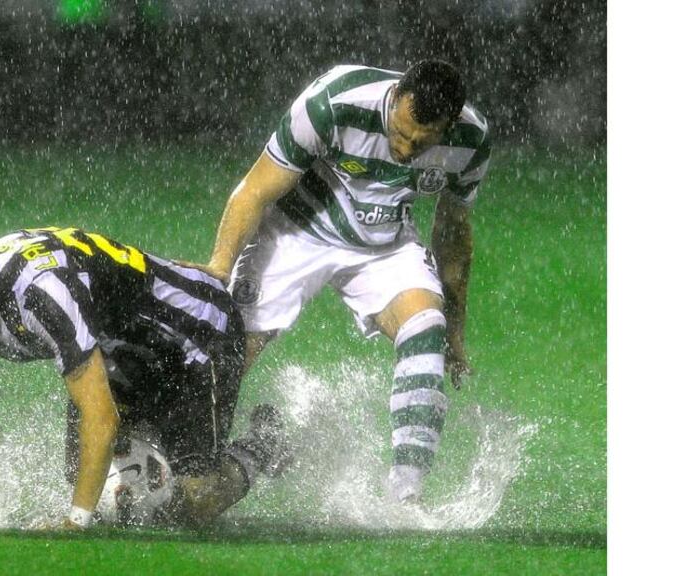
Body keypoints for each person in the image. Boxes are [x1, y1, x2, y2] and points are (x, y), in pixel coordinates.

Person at [200, 60, 491, 503]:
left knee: (424, 332)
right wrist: (220, 270)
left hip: (383, 244)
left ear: (448, 125)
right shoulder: (334, 102)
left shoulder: (471, 140)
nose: (407, 148)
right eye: (401, 132)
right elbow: (255, 190)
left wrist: (454, 327)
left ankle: (404, 499)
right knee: (227, 349)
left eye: (421, 141)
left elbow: (452, 237)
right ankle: (196, 455)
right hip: (296, 232)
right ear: (395, 97)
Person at [0, 226, 289, 528]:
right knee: (87, 477)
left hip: (197, 335)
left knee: (193, 503)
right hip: (129, 347)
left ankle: (261, 446)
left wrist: (74, 522)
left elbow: (101, 418)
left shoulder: (40, 295)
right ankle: (154, 451)